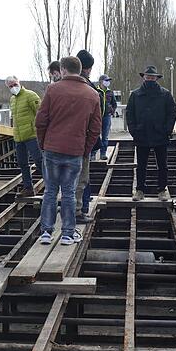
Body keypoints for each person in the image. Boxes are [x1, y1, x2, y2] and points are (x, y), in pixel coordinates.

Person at [36, 56, 101, 246]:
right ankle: (67, 234)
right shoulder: (92, 94)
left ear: (63, 70)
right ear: (80, 70)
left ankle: (46, 232)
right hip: (75, 151)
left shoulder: (52, 90)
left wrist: (43, 144)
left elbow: (40, 121)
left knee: (50, 192)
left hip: (52, 149)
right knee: (69, 193)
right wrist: (85, 149)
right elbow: (95, 128)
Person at [126, 65, 176, 202]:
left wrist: (167, 129)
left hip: (160, 135)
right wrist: (134, 131)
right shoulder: (135, 94)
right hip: (141, 135)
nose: (150, 79)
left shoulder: (165, 94)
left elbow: (172, 112)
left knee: (162, 165)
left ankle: (162, 190)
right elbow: (129, 114)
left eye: (152, 77)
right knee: (141, 165)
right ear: (143, 77)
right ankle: (140, 190)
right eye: (148, 76)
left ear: (156, 78)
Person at [75, 49, 101, 223]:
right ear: (88, 68)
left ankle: (77, 208)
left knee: (63, 182)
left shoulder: (57, 87)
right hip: (82, 141)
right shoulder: (89, 88)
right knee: (82, 178)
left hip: (61, 144)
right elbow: (95, 122)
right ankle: (80, 210)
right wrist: (91, 144)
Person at [6, 76, 42, 198]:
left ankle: (51, 184)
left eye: (14, 84)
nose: (13, 87)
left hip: (32, 135)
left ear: (19, 83)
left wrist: (39, 130)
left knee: (39, 160)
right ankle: (28, 188)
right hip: (19, 137)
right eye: (10, 86)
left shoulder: (31, 95)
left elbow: (40, 113)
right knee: (22, 163)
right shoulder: (12, 99)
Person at [94, 74, 117, 160]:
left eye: (108, 81)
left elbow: (114, 104)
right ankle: (93, 154)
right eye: (106, 80)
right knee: (95, 135)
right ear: (101, 81)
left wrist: (112, 111)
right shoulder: (95, 91)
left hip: (107, 117)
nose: (108, 82)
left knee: (105, 136)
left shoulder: (110, 92)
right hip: (96, 117)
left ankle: (103, 154)